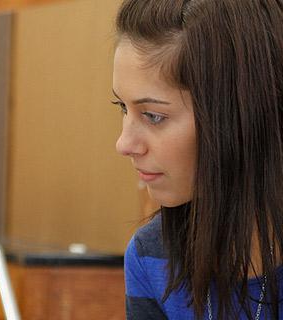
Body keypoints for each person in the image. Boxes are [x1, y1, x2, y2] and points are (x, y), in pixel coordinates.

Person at [113, 0, 283, 319]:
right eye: (123, 107)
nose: (124, 144)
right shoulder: (152, 257)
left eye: (153, 115)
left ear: (238, 114)